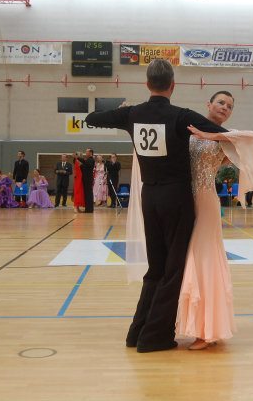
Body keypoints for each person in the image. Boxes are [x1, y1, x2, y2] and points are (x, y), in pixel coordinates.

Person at [84, 59, 227, 353]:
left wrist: (123, 111)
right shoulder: (181, 116)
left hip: (148, 198)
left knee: (155, 268)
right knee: (173, 270)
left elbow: (92, 118)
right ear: (172, 85)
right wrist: (213, 133)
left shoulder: (132, 114)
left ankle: (136, 332)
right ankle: (154, 337)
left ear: (147, 84)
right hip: (177, 199)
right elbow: (220, 132)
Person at [176, 90, 253, 350]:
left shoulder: (226, 137)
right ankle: (193, 325)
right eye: (221, 102)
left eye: (229, 106)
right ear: (208, 104)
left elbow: (252, 137)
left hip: (206, 201)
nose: (225, 107)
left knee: (204, 259)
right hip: (183, 201)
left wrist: (210, 135)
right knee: (184, 258)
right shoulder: (190, 129)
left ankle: (207, 331)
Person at [78, 149, 95, 213]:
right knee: (87, 194)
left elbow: (87, 163)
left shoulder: (91, 159)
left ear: (90, 153)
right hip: (86, 179)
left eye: (86, 152)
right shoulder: (88, 160)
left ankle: (89, 209)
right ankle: (87, 209)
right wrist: (81, 165)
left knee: (89, 194)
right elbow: (85, 167)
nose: (85, 153)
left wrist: (78, 157)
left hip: (88, 179)